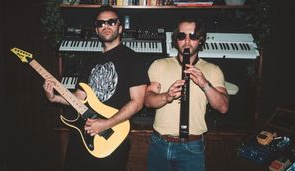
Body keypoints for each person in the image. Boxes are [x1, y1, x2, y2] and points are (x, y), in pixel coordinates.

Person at [43, 5, 149, 171]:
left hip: (111, 136)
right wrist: (54, 97)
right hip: (82, 134)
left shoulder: (133, 59)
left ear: (120, 28)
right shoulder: (89, 61)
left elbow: (137, 102)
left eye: (111, 22)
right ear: (96, 30)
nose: (106, 26)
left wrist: (106, 124)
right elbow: (79, 96)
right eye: (101, 24)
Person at [144, 17, 229, 171]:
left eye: (193, 36)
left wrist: (205, 84)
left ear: (201, 39)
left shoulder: (213, 70)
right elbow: (148, 100)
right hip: (159, 144)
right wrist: (167, 96)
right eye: (182, 36)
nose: (187, 41)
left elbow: (223, 107)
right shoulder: (159, 65)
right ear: (176, 39)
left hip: (192, 147)